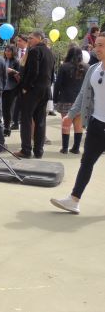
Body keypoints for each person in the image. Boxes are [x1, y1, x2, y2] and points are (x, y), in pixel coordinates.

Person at [50, 31, 105, 214]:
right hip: (96, 125)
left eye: (101, 45)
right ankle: (74, 200)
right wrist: (70, 114)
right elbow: (83, 94)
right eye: (96, 45)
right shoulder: (93, 69)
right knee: (86, 162)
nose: (97, 49)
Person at [15, 31, 55, 159]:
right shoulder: (50, 52)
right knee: (40, 120)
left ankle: (26, 150)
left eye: (31, 38)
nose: (29, 40)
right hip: (45, 89)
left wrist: (25, 87)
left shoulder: (34, 51)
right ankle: (39, 150)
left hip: (33, 90)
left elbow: (33, 71)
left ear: (39, 38)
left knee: (26, 119)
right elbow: (52, 73)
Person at [53, 46, 89, 154]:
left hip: (65, 99)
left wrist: (55, 99)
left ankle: (64, 148)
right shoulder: (87, 67)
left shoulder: (64, 67)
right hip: (81, 100)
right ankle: (76, 148)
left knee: (66, 123)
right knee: (78, 125)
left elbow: (58, 84)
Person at [2, 44, 21, 137]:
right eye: (6, 51)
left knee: (8, 108)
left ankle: (7, 128)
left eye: (9, 51)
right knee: (4, 108)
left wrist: (13, 71)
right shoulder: (3, 60)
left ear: (13, 52)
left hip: (12, 88)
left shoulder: (16, 61)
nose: (7, 52)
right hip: (3, 88)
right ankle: (6, 125)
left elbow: (20, 75)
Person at [11, 34, 29, 130]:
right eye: (17, 41)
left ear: (25, 42)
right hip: (14, 81)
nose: (17, 43)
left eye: (20, 41)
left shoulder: (30, 52)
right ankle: (15, 122)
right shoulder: (14, 51)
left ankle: (21, 120)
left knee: (23, 102)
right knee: (15, 103)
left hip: (25, 82)